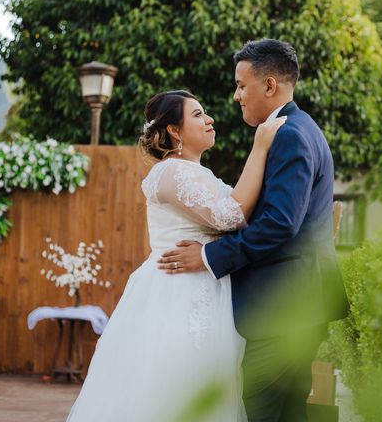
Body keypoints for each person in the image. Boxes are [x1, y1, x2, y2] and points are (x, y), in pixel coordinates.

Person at [158, 39, 349, 422]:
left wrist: (209, 256)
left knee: (260, 412)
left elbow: (280, 223)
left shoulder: (289, 134)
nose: (236, 95)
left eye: (242, 85)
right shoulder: (299, 128)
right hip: (296, 306)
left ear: (269, 86)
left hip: (281, 308)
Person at [66, 90, 285, 422]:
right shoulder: (171, 173)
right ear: (174, 130)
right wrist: (259, 147)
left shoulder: (198, 173)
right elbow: (230, 217)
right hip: (177, 294)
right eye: (198, 115)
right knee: (175, 389)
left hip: (206, 288)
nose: (209, 119)